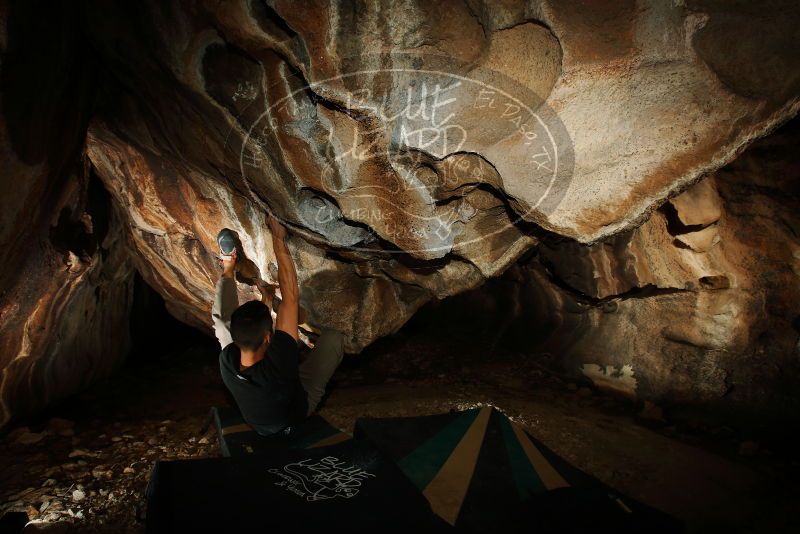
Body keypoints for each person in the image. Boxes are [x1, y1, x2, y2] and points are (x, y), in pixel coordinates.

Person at [211, 214, 344, 436]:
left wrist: (266, 301)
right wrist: (278, 238)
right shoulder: (279, 365)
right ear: (267, 338)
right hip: (293, 413)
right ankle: (307, 341)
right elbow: (291, 296)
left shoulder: (228, 361)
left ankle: (228, 265)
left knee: (220, 323)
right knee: (335, 339)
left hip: (264, 407)